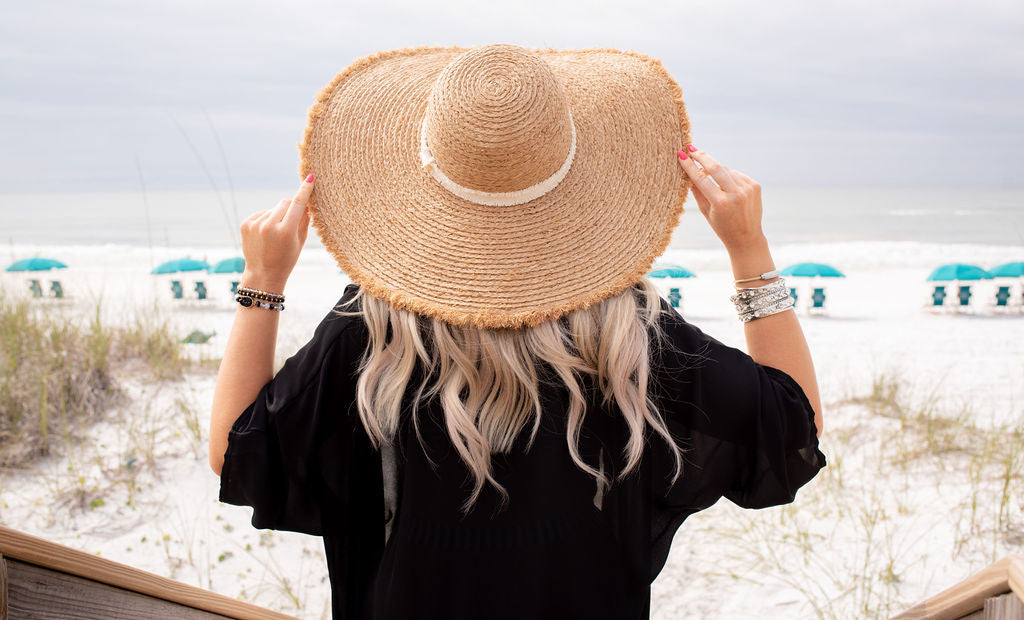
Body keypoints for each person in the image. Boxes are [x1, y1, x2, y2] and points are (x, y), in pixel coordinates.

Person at [208, 44, 825, 619]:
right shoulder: (632, 337)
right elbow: (794, 430)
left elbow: (235, 451)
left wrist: (263, 282)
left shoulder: (374, 329)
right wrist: (750, 252)